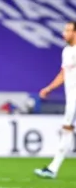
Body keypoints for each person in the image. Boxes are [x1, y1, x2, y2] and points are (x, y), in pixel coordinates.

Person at [34, 21, 76, 179]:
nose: (64, 33)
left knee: (66, 130)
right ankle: (53, 168)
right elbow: (63, 74)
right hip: (72, 98)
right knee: (67, 130)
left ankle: (53, 169)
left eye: (68, 30)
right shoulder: (67, 51)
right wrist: (49, 88)